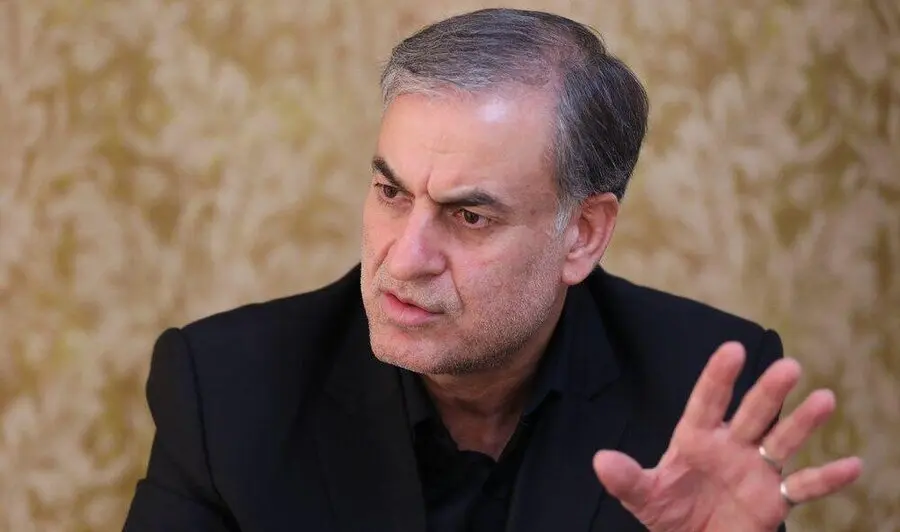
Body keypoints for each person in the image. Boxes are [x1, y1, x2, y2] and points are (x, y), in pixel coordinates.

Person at [122, 8, 861, 532]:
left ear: (583, 234)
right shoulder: (226, 390)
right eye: (391, 193)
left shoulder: (699, 390)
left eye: (469, 216)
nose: (404, 258)